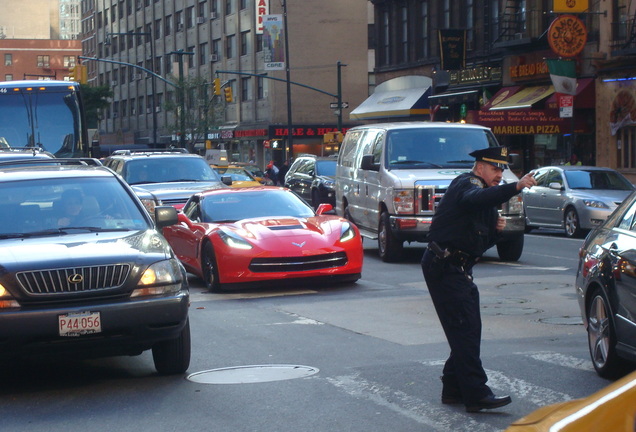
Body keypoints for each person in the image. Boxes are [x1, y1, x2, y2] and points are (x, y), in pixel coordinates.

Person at [420, 146, 537, 413]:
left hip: (457, 268)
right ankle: (476, 394)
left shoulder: (486, 200)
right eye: (495, 169)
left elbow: (477, 243)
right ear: (480, 167)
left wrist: (496, 233)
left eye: (502, 170)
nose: (499, 175)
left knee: (465, 330)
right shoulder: (468, 184)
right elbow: (473, 199)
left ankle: (453, 388)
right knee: (466, 330)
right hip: (445, 266)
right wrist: (516, 186)